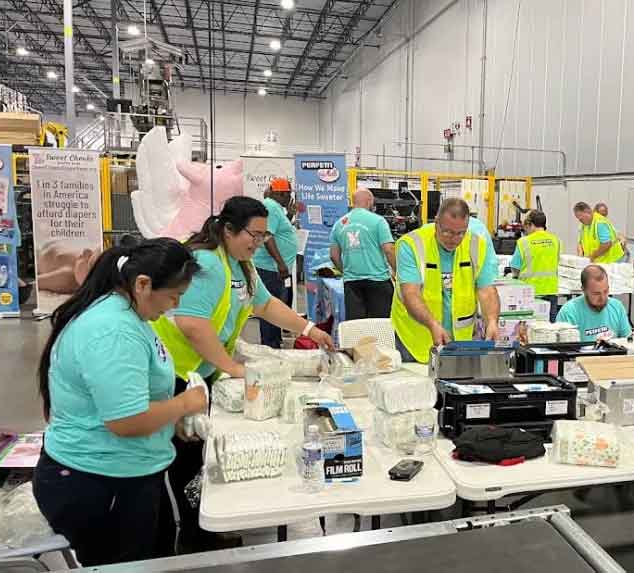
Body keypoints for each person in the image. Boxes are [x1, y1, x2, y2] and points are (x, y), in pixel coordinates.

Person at [151, 196, 334, 553]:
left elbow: (265, 305)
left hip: (200, 375)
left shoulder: (242, 266)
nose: (259, 242)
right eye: (255, 234)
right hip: (174, 376)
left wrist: (309, 329)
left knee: (197, 457)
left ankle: (203, 532)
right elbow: (192, 325)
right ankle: (193, 542)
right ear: (229, 229)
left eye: (265, 236)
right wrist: (232, 368)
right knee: (185, 461)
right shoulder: (207, 264)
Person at [33, 239, 207, 566]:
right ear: (142, 284)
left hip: (126, 475)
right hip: (99, 484)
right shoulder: (113, 330)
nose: (173, 306)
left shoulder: (129, 315)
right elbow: (127, 421)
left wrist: (168, 423)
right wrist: (186, 404)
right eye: (173, 296)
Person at [392, 198, 500, 363]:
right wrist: (433, 324)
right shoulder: (411, 245)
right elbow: (410, 293)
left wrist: (492, 321)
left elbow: (487, 291)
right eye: (447, 232)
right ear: (436, 223)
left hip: (459, 343)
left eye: (460, 233)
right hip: (415, 340)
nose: (454, 239)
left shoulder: (477, 245)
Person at [331, 187, 396, 320]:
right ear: (369, 201)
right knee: (380, 325)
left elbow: (333, 256)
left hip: (352, 283)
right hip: (378, 281)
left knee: (357, 326)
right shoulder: (378, 221)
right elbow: (389, 250)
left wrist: (345, 271)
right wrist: (398, 271)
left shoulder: (338, 224)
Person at [253, 178, 299, 348]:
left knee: (275, 305)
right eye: (289, 194)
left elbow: (277, 230)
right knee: (270, 308)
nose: (290, 198)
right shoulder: (271, 207)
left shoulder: (274, 208)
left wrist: (289, 215)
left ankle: (273, 341)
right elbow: (267, 236)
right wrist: (280, 263)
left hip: (272, 268)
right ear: (281, 194)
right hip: (271, 268)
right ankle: (270, 346)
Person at [555, 265, 631, 342]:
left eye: (606, 291)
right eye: (596, 294)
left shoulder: (617, 307)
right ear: (583, 290)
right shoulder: (569, 312)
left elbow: (628, 341)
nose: (603, 298)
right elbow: (564, 349)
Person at [511, 210, 561, 321]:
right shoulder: (555, 240)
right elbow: (556, 262)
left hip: (530, 293)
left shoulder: (523, 242)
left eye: (526, 227)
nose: (526, 230)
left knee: (531, 330)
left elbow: (515, 268)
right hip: (551, 290)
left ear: (531, 225)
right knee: (549, 331)